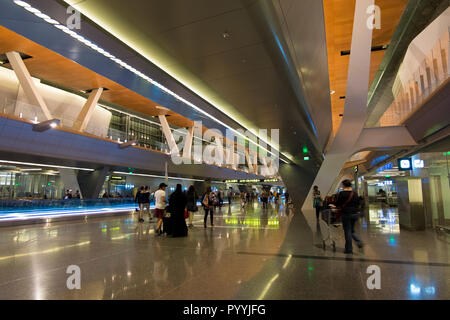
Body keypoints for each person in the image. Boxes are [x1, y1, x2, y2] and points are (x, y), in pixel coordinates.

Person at [334, 179, 363, 254]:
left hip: (346, 214)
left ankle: (349, 249)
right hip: (355, 214)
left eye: (342, 185)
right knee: (351, 231)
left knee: (347, 231)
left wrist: (334, 206)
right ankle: (359, 242)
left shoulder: (342, 194)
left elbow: (338, 203)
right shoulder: (355, 193)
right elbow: (358, 203)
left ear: (344, 185)